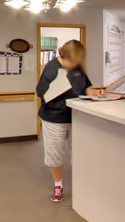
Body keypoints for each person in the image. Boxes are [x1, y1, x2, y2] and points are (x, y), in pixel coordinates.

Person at [35, 39, 105, 203]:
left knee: (80, 152)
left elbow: (86, 87)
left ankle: (83, 184)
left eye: (78, 60)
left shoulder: (78, 68)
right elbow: (40, 92)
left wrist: (95, 92)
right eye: (73, 61)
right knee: (55, 153)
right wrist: (56, 89)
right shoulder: (51, 68)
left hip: (77, 117)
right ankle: (58, 185)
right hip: (54, 118)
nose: (76, 64)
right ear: (64, 56)